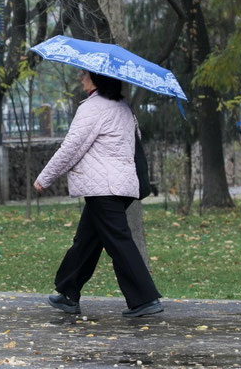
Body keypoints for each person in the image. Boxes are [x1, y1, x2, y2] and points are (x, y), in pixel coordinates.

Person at [33, 69, 163, 318]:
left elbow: (71, 148)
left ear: (97, 79)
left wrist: (44, 178)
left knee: (119, 241)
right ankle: (68, 292)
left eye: (85, 74)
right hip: (119, 186)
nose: (80, 77)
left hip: (104, 187)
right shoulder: (122, 107)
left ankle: (145, 299)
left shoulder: (94, 108)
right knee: (87, 240)